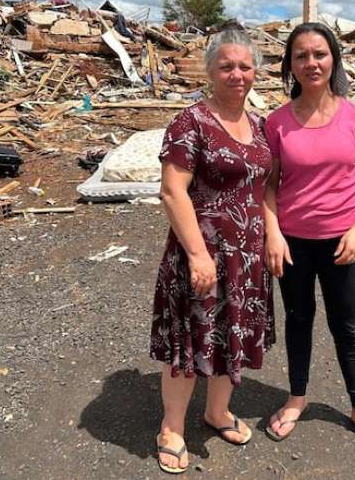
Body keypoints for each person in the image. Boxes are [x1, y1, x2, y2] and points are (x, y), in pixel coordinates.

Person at [263, 22, 355, 455]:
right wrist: (273, 233)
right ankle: (297, 398)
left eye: (319, 54)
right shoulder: (277, 123)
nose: (311, 63)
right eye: (301, 55)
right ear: (290, 65)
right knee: (298, 319)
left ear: (334, 59)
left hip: (344, 242)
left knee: (347, 324)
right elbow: (268, 185)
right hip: (293, 243)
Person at [149, 28, 274, 474]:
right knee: (188, 341)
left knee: (231, 335)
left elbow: (262, 190)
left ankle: (216, 412)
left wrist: (272, 236)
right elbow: (172, 192)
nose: (236, 74)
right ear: (210, 70)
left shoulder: (259, 127)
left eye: (244, 66)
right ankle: (172, 427)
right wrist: (199, 255)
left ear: (255, 71)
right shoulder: (192, 122)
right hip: (202, 253)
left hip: (247, 258)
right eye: (226, 66)